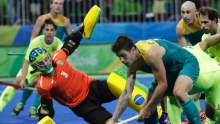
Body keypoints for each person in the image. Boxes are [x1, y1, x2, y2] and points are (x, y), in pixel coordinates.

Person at [27, 25, 118, 124]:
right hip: (81, 105)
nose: (45, 63)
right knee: (110, 122)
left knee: (119, 86)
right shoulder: (43, 85)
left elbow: (71, 43)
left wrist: (81, 28)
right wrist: (43, 119)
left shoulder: (58, 56)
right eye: (41, 63)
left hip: (92, 86)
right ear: (36, 68)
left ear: (49, 56)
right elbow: (47, 108)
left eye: (45, 59)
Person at [110, 35, 202, 124]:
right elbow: (127, 93)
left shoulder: (150, 54)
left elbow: (163, 85)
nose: (122, 60)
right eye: (119, 57)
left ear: (133, 49)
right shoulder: (131, 65)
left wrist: (148, 109)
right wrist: (114, 119)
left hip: (186, 63)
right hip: (169, 72)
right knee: (146, 107)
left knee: (178, 92)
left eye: (123, 55)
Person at [0, 19, 63, 118]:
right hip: (33, 67)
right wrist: (23, 80)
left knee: (43, 85)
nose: (49, 33)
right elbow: (26, 62)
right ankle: (1, 105)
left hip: (48, 69)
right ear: (43, 31)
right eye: (47, 29)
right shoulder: (35, 42)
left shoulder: (59, 44)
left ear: (55, 32)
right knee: (17, 80)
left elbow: (60, 64)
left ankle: (35, 107)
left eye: (51, 30)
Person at [167, 34, 220, 124]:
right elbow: (206, 42)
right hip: (215, 74)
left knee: (171, 96)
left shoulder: (170, 60)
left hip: (203, 78)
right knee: (212, 115)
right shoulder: (194, 48)